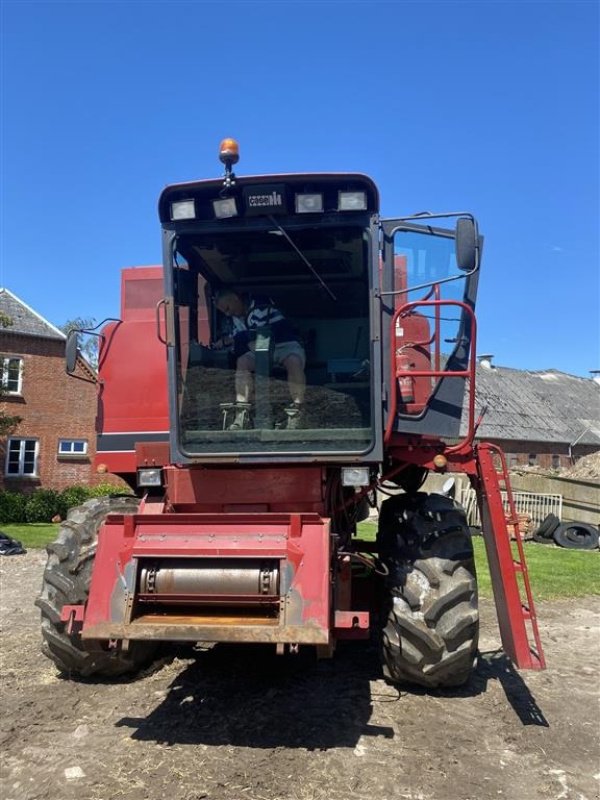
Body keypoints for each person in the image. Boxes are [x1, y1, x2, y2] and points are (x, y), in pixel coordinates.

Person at [214, 289, 306, 429]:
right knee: (242, 362)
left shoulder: (260, 304)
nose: (228, 313)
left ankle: (298, 409)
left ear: (235, 298)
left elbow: (259, 332)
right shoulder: (234, 319)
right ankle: (242, 412)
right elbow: (245, 340)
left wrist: (236, 339)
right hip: (259, 348)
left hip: (284, 345)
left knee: (294, 361)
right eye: (224, 312)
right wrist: (233, 340)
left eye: (228, 308)